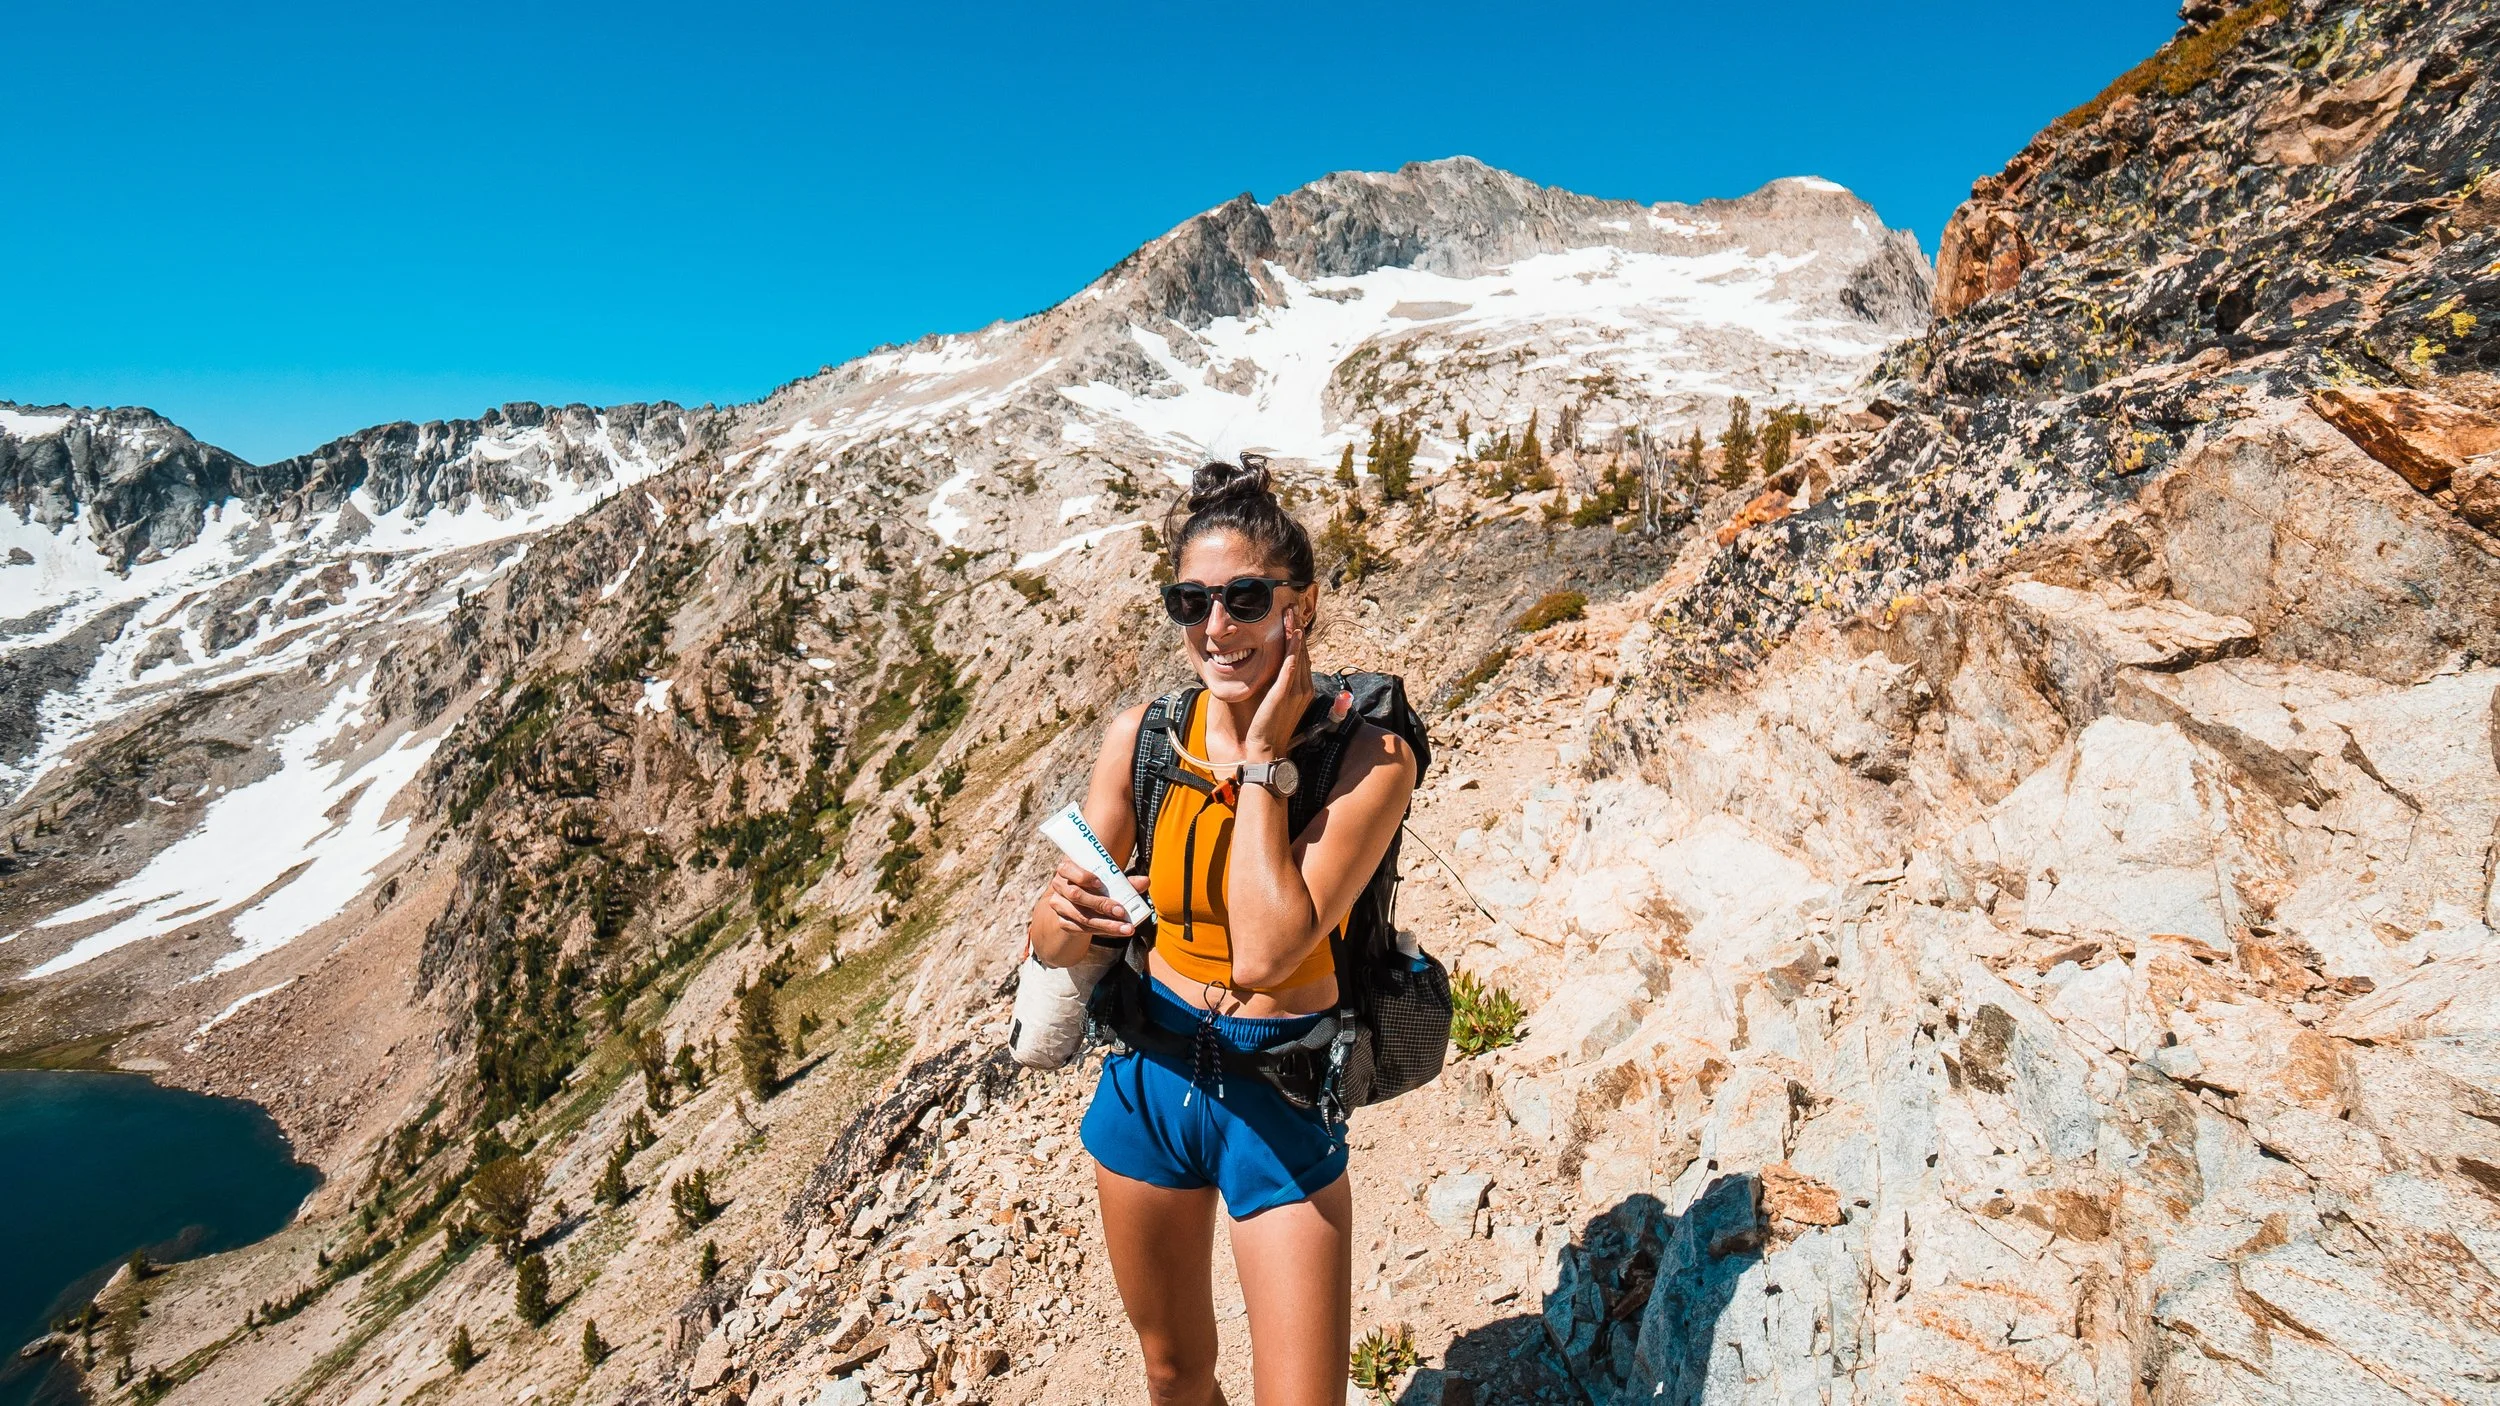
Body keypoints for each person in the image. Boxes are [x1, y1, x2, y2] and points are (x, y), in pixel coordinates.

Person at [1026, 457, 1417, 1405]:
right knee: (1172, 1372)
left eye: (1246, 598)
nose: (1216, 627)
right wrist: (1057, 922)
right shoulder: (1143, 738)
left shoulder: (1372, 755)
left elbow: (1272, 951)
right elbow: (1059, 935)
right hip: (1149, 1075)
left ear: (1303, 605)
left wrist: (1258, 760)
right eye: (1191, 601)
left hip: (1279, 1092)